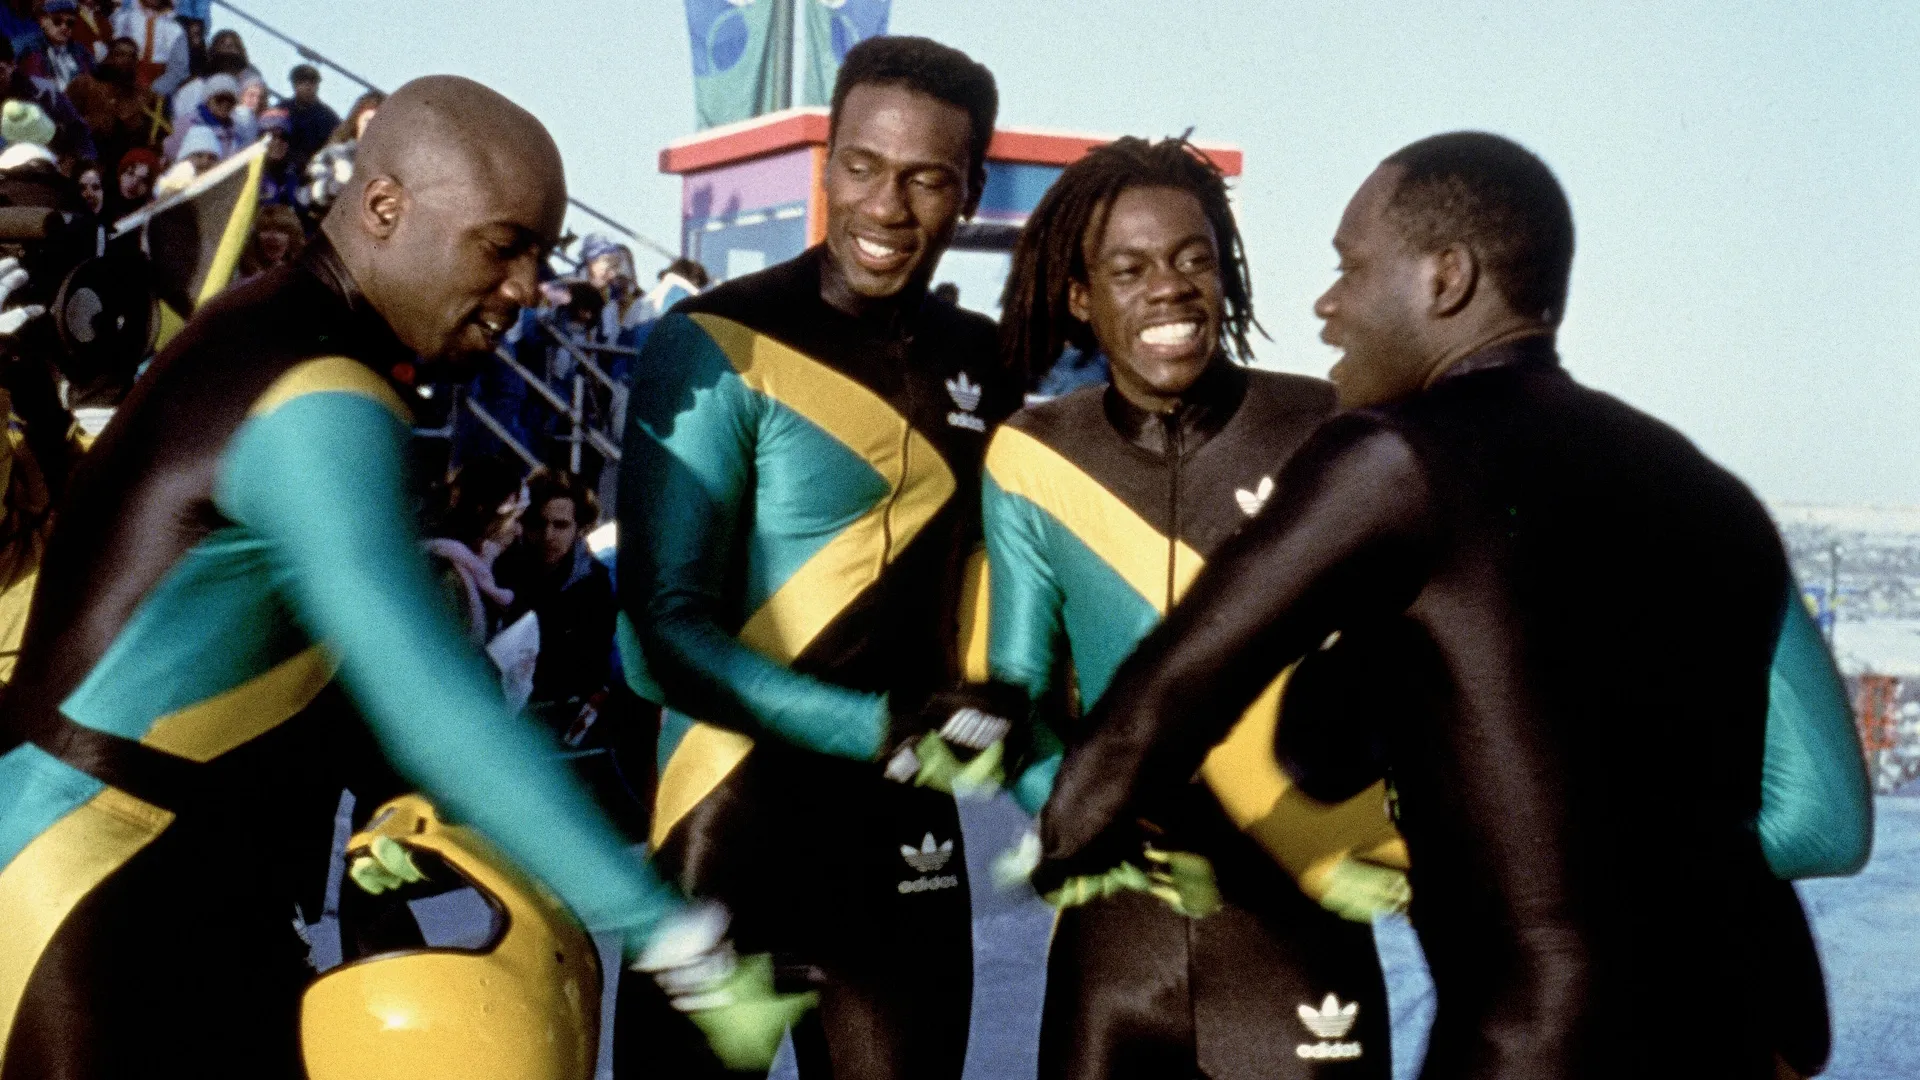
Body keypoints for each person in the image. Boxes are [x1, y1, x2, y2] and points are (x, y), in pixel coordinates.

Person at [0, 74, 803, 1079]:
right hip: (89, 886)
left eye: (543, 255)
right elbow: (426, 694)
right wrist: (666, 930)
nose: (526, 288)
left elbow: (303, 658)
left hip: (182, 878)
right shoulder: (314, 390)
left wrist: (395, 795)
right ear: (385, 208)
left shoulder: (294, 344)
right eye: (503, 245)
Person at [1031, 132, 1868, 1080]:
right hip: (1759, 1032)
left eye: (1350, 268)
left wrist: (1073, 826)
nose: (1326, 304)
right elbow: (1827, 821)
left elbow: (1167, 696)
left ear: (1447, 280)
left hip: (1541, 1044)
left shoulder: (1395, 459)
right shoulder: (1714, 497)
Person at [617, 35, 1019, 1080]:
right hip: (726, 824)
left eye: (927, 178)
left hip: (905, 843)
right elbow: (659, 632)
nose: (886, 206)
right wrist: (877, 726)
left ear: (969, 191)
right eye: (862, 166)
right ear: (827, 162)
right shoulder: (715, 341)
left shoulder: (981, 362)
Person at [986, 135, 1401, 1080]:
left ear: (1226, 274)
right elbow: (1019, 704)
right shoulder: (1032, 454)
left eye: (1193, 259)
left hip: (1298, 946)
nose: (1169, 287)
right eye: (1128, 269)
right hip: (1113, 959)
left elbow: (1408, 668)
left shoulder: (1328, 426)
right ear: (1080, 298)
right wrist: (1088, 820)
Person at [498, 468, 617, 717]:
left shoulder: (593, 581)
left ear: (579, 528)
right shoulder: (501, 568)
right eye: (537, 523)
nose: (547, 535)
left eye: (560, 525)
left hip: (558, 708)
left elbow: (592, 662)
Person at [65, 36, 161, 172]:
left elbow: (152, 137)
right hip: (86, 162)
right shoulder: (84, 84)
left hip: (123, 167)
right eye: (120, 54)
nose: (126, 60)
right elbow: (64, 122)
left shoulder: (144, 96)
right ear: (109, 57)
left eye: (131, 56)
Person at [0, 32, 94, 161]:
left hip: (42, 165)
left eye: (0, 71)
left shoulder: (43, 91)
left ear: (12, 65)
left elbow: (78, 130)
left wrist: (87, 166)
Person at [298, 88, 381, 218]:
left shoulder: (392, 163)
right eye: (368, 121)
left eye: (378, 124)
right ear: (356, 122)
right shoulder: (334, 154)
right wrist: (339, 186)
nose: (372, 129)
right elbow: (306, 196)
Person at [19, 0, 93, 90]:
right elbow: (37, 89)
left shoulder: (81, 50)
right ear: (42, 21)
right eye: (57, 21)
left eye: (70, 23)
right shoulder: (32, 51)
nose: (64, 27)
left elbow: (94, 79)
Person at [108, 0, 179, 91]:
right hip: (131, 69)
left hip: (160, 72)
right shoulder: (126, 18)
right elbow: (117, 46)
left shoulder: (173, 25)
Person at [283, 61, 336, 177]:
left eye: (312, 82)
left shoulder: (328, 117)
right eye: (302, 81)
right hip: (281, 168)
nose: (307, 86)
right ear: (294, 85)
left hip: (314, 172)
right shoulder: (282, 110)